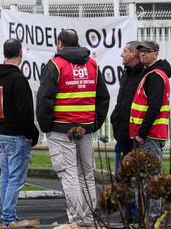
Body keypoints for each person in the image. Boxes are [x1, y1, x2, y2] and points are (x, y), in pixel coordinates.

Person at [36, 29, 110, 226]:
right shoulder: (92, 64)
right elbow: (103, 97)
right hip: (85, 130)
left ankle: (76, 221)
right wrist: (94, 124)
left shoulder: (55, 65)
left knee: (69, 175)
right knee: (86, 174)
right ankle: (88, 219)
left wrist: (46, 127)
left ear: (60, 43)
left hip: (61, 130)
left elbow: (44, 99)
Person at [0, 38, 40, 226]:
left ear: (4, 54)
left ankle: (7, 215)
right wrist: (32, 133)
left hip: (1, 133)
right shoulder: (18, 79)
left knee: (6, 176)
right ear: (21, 54)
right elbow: (25, 111)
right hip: (16, 136)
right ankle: (8, 218)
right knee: (15, 179)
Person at [129, 39, 171, 223]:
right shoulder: (152, 74)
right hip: (149, 136)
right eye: (141, 51)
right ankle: (151, 219)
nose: (143, 54)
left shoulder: (155, 76)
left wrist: (141, 133)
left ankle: (154, 220)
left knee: (152, 180)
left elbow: (154, 107)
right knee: (148, 179)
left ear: (156, 53)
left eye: (147, 51)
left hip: (150, 136)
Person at [110, 41, 144, 179]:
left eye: (125, 51)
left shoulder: (144, 74)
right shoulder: (126, 73)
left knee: (134, 178)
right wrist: (115, 117)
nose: (121, 54)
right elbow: (121, 100)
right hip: (121, 133)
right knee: (120, 177)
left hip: (135, 135)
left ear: (133, 54)